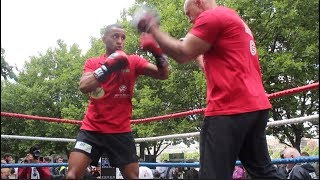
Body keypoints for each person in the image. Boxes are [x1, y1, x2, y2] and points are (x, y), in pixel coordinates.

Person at [132, 0, 284, 179]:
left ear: (199, 2)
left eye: (189, 13)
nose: (189, 20)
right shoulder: (233, 17)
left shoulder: (212, 17)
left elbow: (182, 53)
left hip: (229, 109)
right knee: (263, 173)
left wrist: (152, 28)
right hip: (255, 108)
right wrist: (196, 54)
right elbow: (212, 65)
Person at [66, 23, 169, 179]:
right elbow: (84, 86)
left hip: (121, 131)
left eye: (123, 37)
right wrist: (108, 67)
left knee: (133, 177)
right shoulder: (93, 63)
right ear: (104, 39)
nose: (120, 40)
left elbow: (163, 74)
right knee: (72, 176)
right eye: (115, 36)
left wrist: (157, 52)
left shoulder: (133, 61)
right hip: (92, 129)